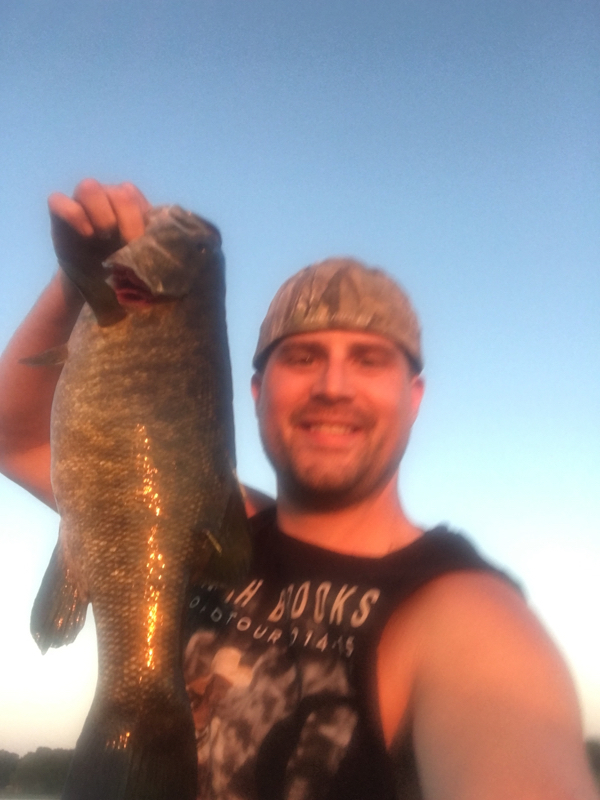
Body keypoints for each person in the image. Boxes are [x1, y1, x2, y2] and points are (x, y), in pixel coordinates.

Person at [0, 179, 596, 800]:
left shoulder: (471, 619)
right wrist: (77, 281)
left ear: (414, 396)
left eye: (368, 359)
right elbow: (13, 439)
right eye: (304, 357)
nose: (333, 387)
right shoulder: (204, 518)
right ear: (258, 392)